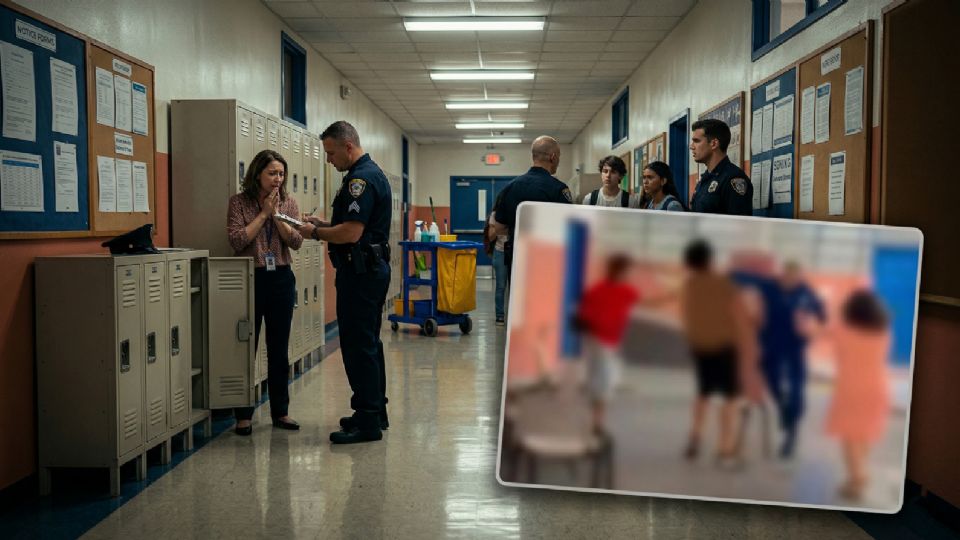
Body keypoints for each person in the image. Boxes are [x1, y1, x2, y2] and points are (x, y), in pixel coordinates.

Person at [298, 121, 391, 445]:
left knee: (358, 346)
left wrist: (315, 233)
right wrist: (324, 223)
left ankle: (367, 421)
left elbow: (351, 233)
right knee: (368, 344)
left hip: (361, 273)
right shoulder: (365, 174)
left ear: (348, 147)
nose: (328, 160)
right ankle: (374, 411)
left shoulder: (360, 180)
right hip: (368, 270)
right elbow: (350, 225)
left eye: (331, 152)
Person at [226, 149, 302, 435]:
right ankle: (243, 415)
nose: (277, 179)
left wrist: (279, 217)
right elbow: (236, 240)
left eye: (281, 174)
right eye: (272, 173)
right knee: (247, 347)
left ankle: (280, 411)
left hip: (280, 278)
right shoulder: (239, 203)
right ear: (257, 174)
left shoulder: (290, 203)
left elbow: (295, 242)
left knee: (278, 349)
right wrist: (264, 215)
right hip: (249, 278)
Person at [732, 261, 827, 458]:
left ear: (799, 277)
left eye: (795, 277)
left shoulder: (806, 293)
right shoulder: (770, 286)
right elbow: (740, 278)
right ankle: (783, 408)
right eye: (787, 276)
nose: (790, 281)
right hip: (771, 346)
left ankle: (791, 433)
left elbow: (821, 314)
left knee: (796, 388)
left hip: (794, 347)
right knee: (773, 382)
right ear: (782, 275)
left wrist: (813, 329)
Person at [679, 239, 746, 467]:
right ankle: (724, 449)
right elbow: (740, 315)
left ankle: (695, 438)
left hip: (701, 348)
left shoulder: (690, 284)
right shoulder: (723, 283)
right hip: (725, 347)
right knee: (730, 400)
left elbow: (687, 315)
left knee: (703, 394)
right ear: (709, 259)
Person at [825, 290, 892, 500]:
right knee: (863, 434)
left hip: (852, 389)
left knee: (850, 437)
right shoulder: (882, 333)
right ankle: (859, 473)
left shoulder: (843, 331)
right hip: (878, 388)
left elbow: (820, 332)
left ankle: (857, 478)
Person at [573, 254, 641, 432]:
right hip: (599, 341)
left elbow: (582, 315)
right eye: (628, 271)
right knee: (603, 383)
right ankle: (596, 422)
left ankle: (594, 420)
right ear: (621, 270)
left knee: (601, 382)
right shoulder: (598, 290)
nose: (630, 274)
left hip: (607, 343)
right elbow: (583, 317)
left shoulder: (624, 291)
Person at [492, 136, 574, 275]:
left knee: (518, 296)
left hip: (517, 259)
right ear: (553, 157)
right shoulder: (558, 189)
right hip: (548, 261)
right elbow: (568, 229)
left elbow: (498, 228)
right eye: (559, 156)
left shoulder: (510, 187)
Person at [689, 119, 753, 215]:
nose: (691, 146)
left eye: (697, 141)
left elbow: (738, 225)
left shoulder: (733, 178)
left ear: (714, 144)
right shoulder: (705, 179)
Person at [484, 194, 508, 325]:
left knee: (516, 287)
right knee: (501, 286)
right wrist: (501, 228)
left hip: (514, 252)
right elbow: (491, 237)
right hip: (500, 252)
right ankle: (500, 315)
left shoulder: (517, 212)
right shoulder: (495, 215)